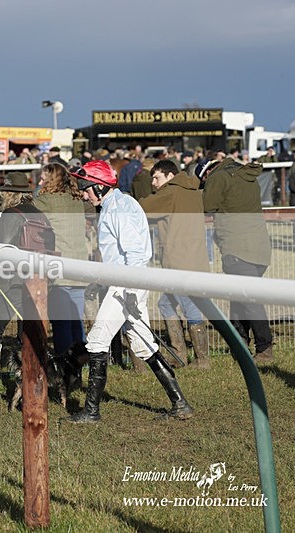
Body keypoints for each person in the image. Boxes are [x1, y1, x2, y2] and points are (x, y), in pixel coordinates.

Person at [67, 160, 194, 423]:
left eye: (86, 188)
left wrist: (129, 290)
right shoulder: (111, 206)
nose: (83, 193)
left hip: (126, 285)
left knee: (98, 341)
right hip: (125, 283)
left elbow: (136, 254)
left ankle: (91, 411)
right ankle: (180, 404)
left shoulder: (121, 207)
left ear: (100, 188)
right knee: (143, 344)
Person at [0, 171, 52, 398]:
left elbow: (2, 249)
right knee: (28, 335)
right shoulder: (41, 214)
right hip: (37, 281)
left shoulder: (10, 215)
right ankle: (32, 384)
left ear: (9, 193)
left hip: (11, 282)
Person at [200, 158, 274, 364]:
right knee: (239, 296)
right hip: (259, 248)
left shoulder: (218, 177)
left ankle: (265, 347)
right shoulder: (247, 176)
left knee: (249, 299)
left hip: (237, 248)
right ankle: (239, 344)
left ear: (207, 174)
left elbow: (206, 205)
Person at [139, 159, 211, 369]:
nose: (153, 182)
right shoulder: (191, 190)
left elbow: (143, 208)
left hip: (180, 262)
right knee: (166, 304)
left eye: (156, 177)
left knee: (189, 307)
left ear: (170, 176)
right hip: (194, 259)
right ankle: (180, 354)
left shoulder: (170, 192)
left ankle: (202, 359)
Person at [33, 163, 88, 359]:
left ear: (51, 180)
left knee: (62, 323)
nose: (39, 182)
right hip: (79, 267)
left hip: (59, 268)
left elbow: (26, 209)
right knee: (76, 321)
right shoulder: (76, 199)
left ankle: (64, 365)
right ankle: (81, 363)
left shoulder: (46, 201)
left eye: (42, 179)